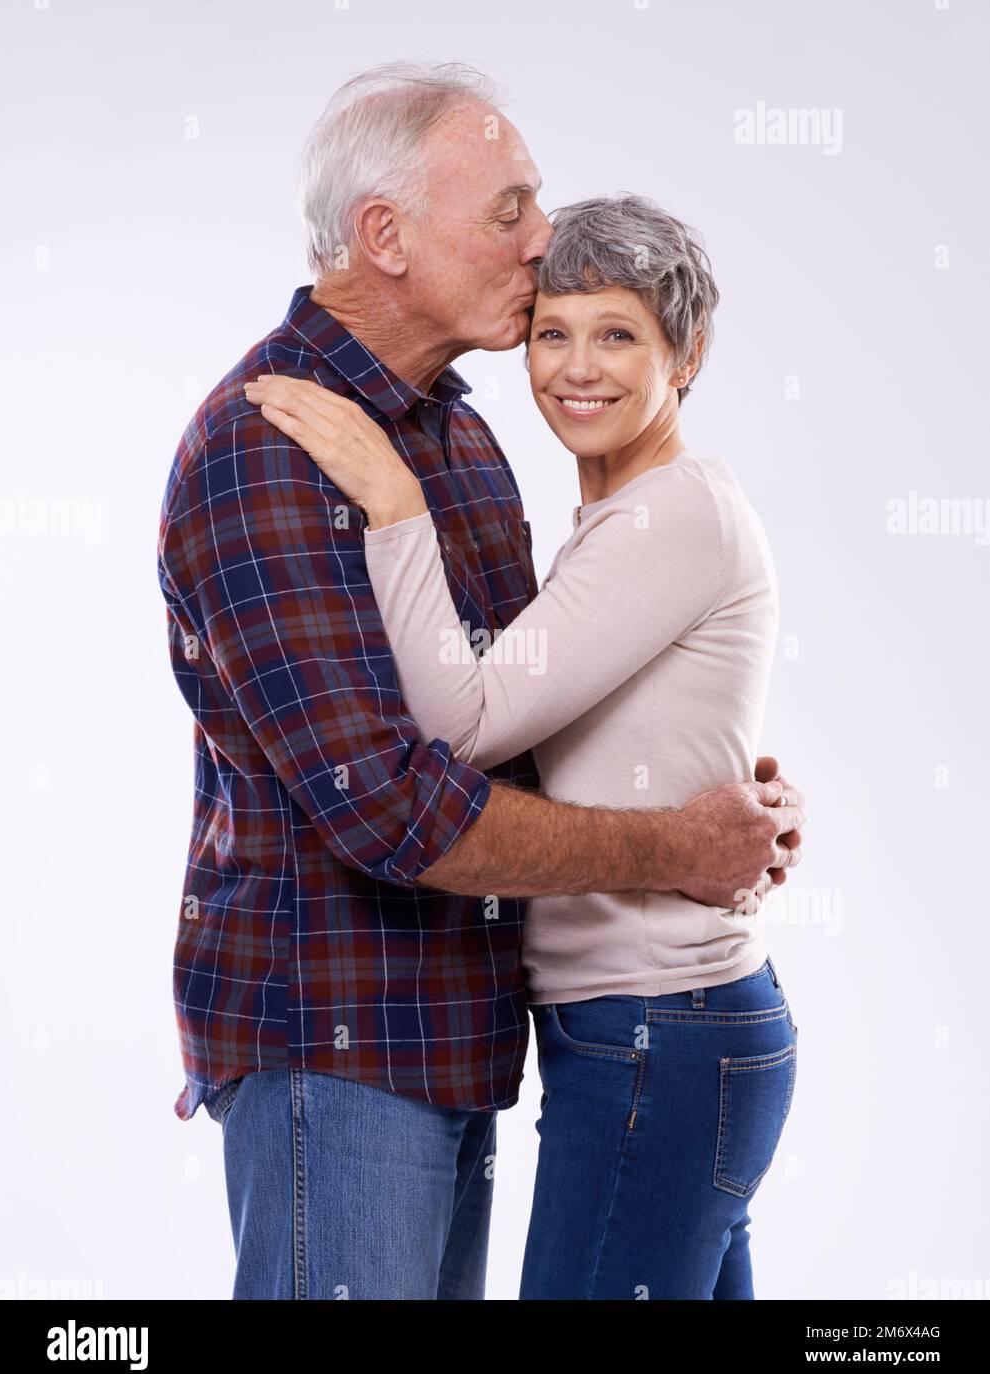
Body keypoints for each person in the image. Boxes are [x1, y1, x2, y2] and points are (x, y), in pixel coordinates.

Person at [158, 62, 804, 1301]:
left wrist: (734, 797)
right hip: (336, 1050)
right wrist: (679, 837)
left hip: (470, 1037)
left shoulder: (455, 435)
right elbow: (395, 806)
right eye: (509, 207)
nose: (543, 236)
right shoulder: (266, 451)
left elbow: (518, 721)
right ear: (384, 234)